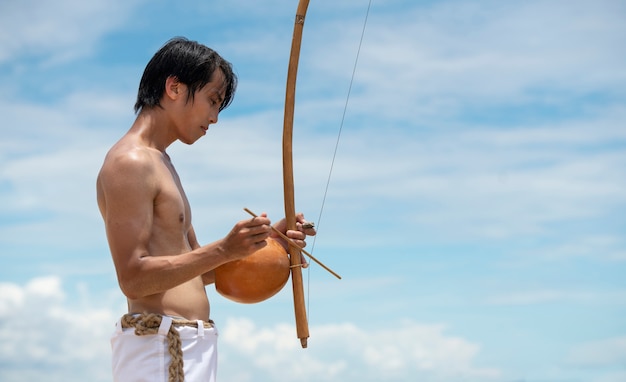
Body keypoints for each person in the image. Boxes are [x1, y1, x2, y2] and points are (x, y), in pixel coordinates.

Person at [96, 37, 315, 382]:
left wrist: (270, 243)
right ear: (174, 87)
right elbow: (133, 278)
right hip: (159, 347)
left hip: (182, 346)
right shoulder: (130, 162)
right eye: (212, 101)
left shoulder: (161, 163)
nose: (214, 118)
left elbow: (198, 271)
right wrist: (224, 248)